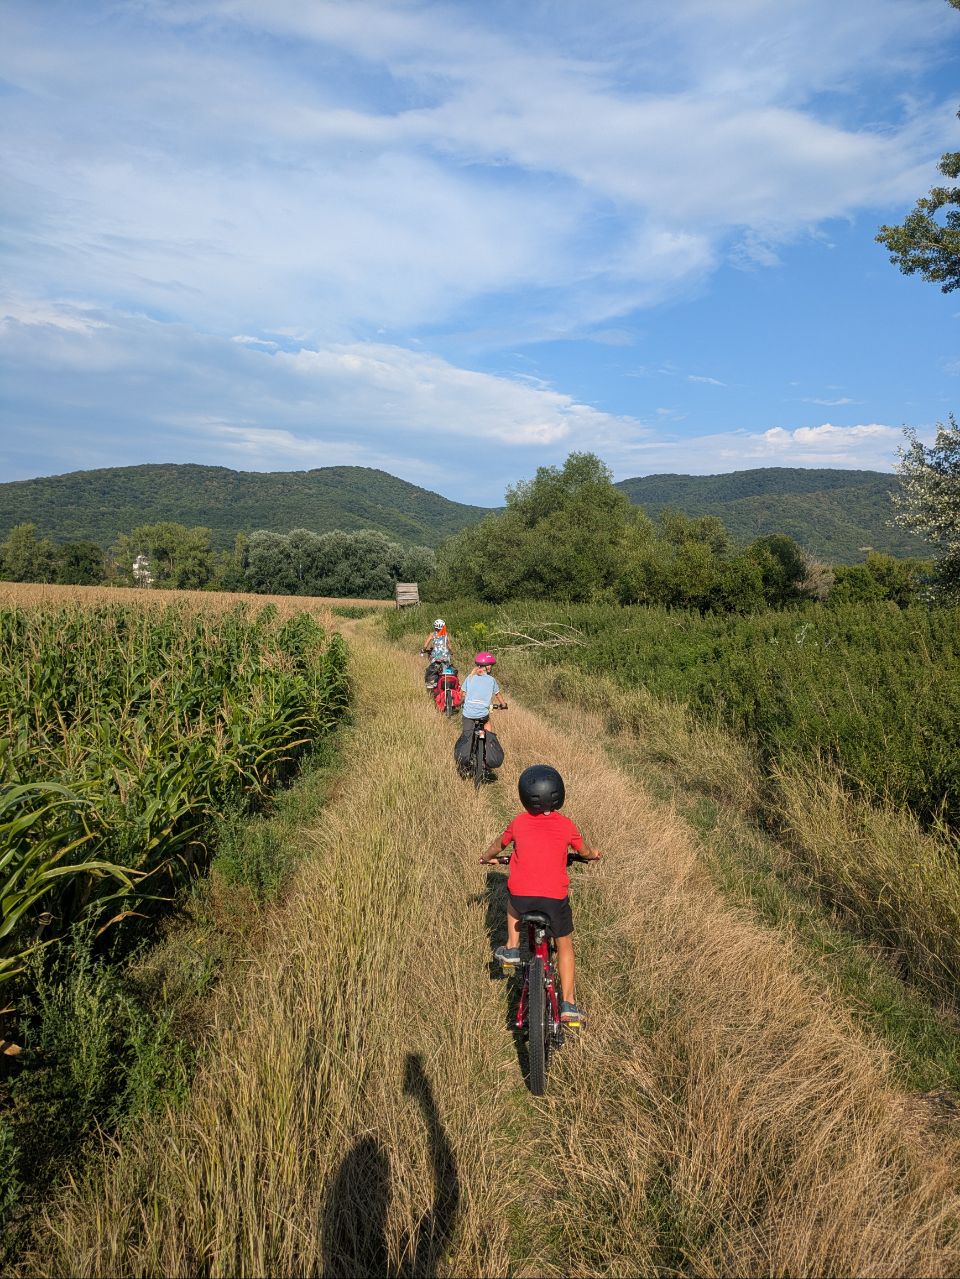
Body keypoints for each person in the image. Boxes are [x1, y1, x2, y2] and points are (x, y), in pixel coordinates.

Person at [480, 764, 600, 1027]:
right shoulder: (567, 825)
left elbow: (497, 846)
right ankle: (568, 1004)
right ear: (559, 795)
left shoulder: (518, 823)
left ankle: (512, 948)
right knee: (565, 946)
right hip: (554, 902)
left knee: (511, 899)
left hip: (523, 899)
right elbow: (585, 850)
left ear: (524, 796)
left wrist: (487, 857)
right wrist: (593, 855)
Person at [454, 652, 507, 772]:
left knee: (466, 733)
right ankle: (488, 744)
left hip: (468, 714)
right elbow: (498, 695)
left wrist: (461, 702)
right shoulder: (492, 680)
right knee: (487, 722)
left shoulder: (470, 677)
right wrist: (503, 705)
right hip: (482, 714)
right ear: (487, 667)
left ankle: (465, 760)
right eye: (491, 666)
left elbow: (462, 694)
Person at [420, 619, 453, 690]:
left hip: (436, 656)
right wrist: (451, 652)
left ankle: (432, 683)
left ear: (435, 627)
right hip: (445, 656)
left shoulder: (432, 634)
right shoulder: (446, 634)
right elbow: (449, 646)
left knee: (432, 669)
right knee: (446, 670)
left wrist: (423, 650)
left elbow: (425, 645)